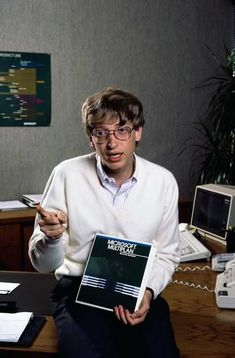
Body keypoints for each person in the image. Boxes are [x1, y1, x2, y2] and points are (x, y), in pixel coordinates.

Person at [28, 87, 180, 358]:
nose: (112, 143)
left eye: (122, 130)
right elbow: (43, 265)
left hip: (136, 287)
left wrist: (147, 292)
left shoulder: (163, 182)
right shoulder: (66, 174)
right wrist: (51, 238)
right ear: (91, 138)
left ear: (137, 133)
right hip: (77, 291)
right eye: (101, 132)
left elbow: (167, 254)